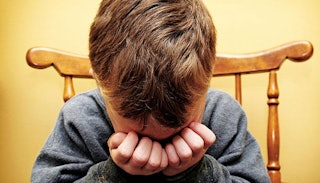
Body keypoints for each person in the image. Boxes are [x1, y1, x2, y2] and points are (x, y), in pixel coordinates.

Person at [31, 0, 271, 182]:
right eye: (139, 131)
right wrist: (114, 174)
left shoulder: (224, 115)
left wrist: (198, 172)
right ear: (99, 78)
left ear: (208, 76)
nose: (157, 144)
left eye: (176, 128)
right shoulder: (79, 118)